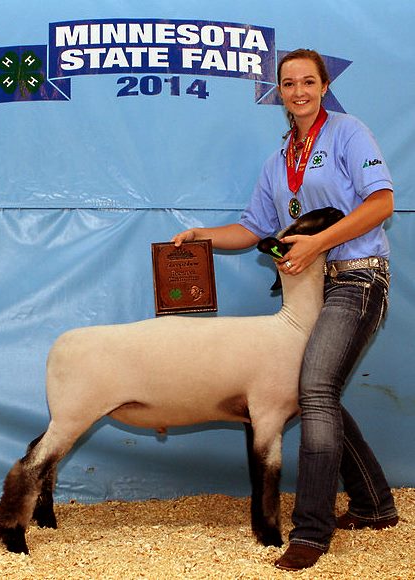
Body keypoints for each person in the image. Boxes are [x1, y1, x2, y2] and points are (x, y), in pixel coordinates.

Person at [172, 48, 398, 571]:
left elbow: (381, 203)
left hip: (359, 277)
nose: (298, 91)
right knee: (320, 393)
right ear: (278, 92)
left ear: (323, 87)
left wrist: (316, 246)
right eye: (289, 83)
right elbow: (255, 230)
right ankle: (374, 504)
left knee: (312, 388)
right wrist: (201, 236)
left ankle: (312, 532)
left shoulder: (347, 132)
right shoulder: (279, 161)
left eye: (308, 82)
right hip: (311, 292)